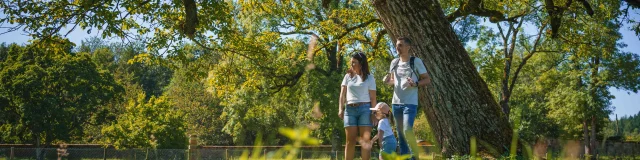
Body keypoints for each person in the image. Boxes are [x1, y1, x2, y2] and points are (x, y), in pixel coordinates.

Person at [383, 37, 431, 160]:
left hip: (410, 103)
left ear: (408, 47)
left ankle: (415, 157)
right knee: (400, 134)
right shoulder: (394, 63)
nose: (397, 48)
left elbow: (427, 79)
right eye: (396, 45)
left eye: (400, 45)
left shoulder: (416, 61)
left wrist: (415, 84)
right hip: (396, 103)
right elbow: (394, 81)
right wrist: (388, 81)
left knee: (406, 130)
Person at [339, 51, 376, 160]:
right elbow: (342, 94)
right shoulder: (347, 76)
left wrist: (373, 113)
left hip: (365, 109)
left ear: (361, 63)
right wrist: (341, 109)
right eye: (351, 62)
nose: (351, 65)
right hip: (350, 110)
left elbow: (373, 98)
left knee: (365, 142)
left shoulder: (370, 78)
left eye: (354, 62)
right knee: (350, 141)